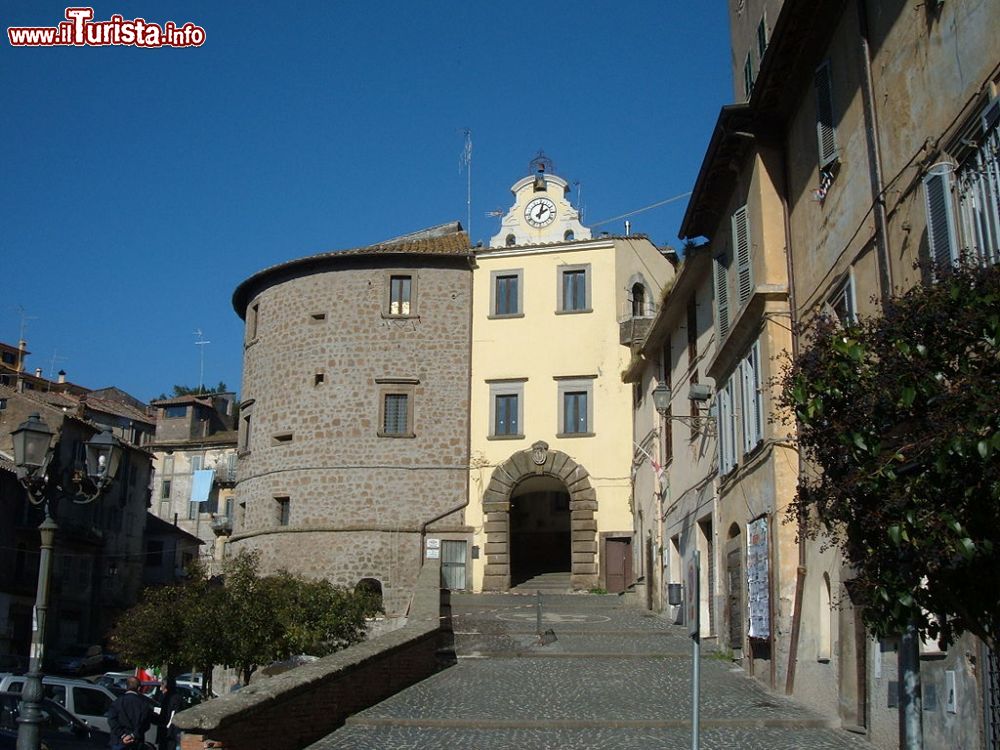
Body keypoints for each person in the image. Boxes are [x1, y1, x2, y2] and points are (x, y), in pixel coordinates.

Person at [106, 675, 152, 750]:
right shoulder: (143, 704)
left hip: (118, 741)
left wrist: (123, 735)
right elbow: (145, 724)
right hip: (136, 742)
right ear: (139, 688)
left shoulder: (117, 702)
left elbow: (111, 720)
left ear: (126, 687)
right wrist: (133, 735)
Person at [155, 677, 184, 750]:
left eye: (162, 686)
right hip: (166, 730)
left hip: (169, 732)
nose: (160, 689)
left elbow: (173, 714)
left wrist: (167, 726)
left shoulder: (172, 698)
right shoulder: (166, 697)